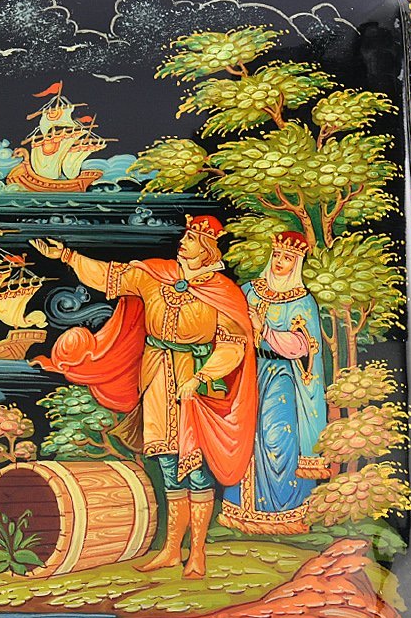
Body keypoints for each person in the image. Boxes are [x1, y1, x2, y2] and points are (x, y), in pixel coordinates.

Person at [31, 215, 257, 577]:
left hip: (195, 387)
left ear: (208, 248)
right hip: (155, 379)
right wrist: (68, 256)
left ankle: (198, 553)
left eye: (192, 238)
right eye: (185, 236)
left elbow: (233, 345)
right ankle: (171, 550)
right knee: (168, 465)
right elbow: (110, 275)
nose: (183, 242)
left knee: (197, 470)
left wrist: (201, 377)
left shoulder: (223, 293)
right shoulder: (156, 274)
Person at [221, 231, 329, 533]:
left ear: (297, 264)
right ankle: (241, 512)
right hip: (248, 371)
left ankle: (286, 514)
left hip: (281, 376)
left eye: (288, 258)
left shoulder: (302, 301)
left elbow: (303, 346)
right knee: (245, 435)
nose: (281, 262)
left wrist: (265, 329)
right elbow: (228, 323)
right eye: (278, 255)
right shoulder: (249, 291)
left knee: (275, 438)